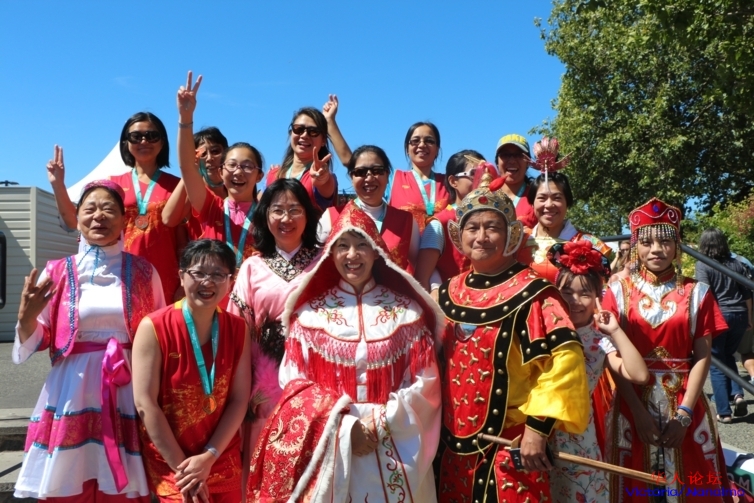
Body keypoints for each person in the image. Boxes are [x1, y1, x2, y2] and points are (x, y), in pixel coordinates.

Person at [248, 205, 443, 502]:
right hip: (331, 443)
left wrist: (380, 424)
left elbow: (424, 384)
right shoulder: (309, 316)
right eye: (343, 246)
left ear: (376, 251)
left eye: (362, 244)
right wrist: (345, 428)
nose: (352, 255)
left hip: (394, 439)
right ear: (330, 253)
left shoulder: (407, 312)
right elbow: (295, 387)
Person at [436, 176, 590, 501]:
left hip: (512, 445)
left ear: (511, 235)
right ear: (458, 235)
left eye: (492, 227)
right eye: (472, 228)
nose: (481, 237)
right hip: (451, 447)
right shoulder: (447, 292)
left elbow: (564, 361)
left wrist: (537, 428)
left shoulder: (533, 292)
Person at [13, 180, 164, 501]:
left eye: (109, 209)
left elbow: (158, 334)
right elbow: (40, 338)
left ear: (123, 219)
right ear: (77, 217)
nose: (99, 216)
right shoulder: (56, 271)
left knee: (121, 482)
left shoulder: (144, 271)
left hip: (126, 385)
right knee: (71, 476)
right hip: (72, 386)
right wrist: (26, 319)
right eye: (90, 209)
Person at [603, 198, 733, 503]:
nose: (656, 249)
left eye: (665, 241)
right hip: (631, 399)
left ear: (677, 245)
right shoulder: (617, 291)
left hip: (686, 398)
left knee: (693, 485)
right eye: (647, 242)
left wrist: (685, 414)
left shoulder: (697, 292)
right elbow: (612, 355)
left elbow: (703, 356)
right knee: (633, 486)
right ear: (636, 246)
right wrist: (638, 412)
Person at [132, 239, 252, 503]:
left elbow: (239, 399)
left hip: (220, 455)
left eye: (218, 274)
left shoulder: (238, 328)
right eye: (198, 273)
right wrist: (186, 471)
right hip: (173, 461)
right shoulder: (154, 326)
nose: (207, 282)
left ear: (230, 281)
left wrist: (209, 457)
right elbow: (145, 403)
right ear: (181, 276)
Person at [547, 241, 649, 503]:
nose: (574, 301)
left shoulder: (598, 340)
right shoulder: (541, 330)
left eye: (585, 294)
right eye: (566, 292)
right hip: (535, 436)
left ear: (597, 298)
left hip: (579, 440)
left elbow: (639, 375)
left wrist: (614, 331)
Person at [227, 178, 322, 455]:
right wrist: (242, 390)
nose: (286, 218)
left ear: (307, 215)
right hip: (263, 385)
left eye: (294, 210)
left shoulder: (326, 263)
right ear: (265, 215)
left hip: (315, 379)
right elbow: (238, 332)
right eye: (277, 210)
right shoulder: (252, 267)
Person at [47, 114, 183, 303]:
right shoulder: (112, 184)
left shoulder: (178, 185)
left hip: (166, 277)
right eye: (136, 136)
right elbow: (74, 222)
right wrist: (58, 184)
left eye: (152, 135)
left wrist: (184, 283)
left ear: (162, 142)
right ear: (126, 142)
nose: (144, 141)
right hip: (118, 275)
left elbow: (186, 239)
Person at [168, 72, 262, 282]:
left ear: (259, 175)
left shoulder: (267, 213)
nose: (238, 172)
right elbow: (187, 167)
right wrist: (185, 118)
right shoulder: (211, 206)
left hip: (252, 295)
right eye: (232, 165)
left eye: (247, 166)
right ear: (221, 171)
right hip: (211, 293)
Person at [317, 145, 420, 271]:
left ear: (387, 175)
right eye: (360, 172)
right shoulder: (332, 216)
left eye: (377, 171)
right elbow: (312, 263)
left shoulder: (406, 222)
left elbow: (420, 266)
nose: (370, 178)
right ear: (351, 177)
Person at [516, 165, 613, 284]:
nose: (549, 205)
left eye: (557, 198)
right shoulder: (518, 240)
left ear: (567, 202)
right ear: (532, 203)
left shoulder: (588, 244)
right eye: (542, 198)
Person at [695, 228, 752, 422]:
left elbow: (704, 293)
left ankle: (724, 411)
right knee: (729, 356)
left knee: (716, 361)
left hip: (719, 315)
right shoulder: (736, 264)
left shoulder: (703, 264)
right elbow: (746, 293)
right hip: (740, 314)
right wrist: (749, 318)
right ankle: (738, 394)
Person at [265, 100, 337, 210]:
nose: (304, 135)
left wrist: (322, 178)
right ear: (291, 133)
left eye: (313, 131)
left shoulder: (322, 175)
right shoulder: (274, 174)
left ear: (323, 140)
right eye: (299, 129)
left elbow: (325, 184)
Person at [162, 126, 229, 240]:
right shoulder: (192, 195)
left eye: (215, 151)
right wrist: (189, 169)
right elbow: (168, 219)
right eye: (202, 154)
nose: (209, 158)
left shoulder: (235, 191)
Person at [494, 133, 538, 228]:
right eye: (505, 155)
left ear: (528, 162)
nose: (512, 161)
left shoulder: (538, 197)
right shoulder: (486, 196)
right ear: (497, 162)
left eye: (519, 155)